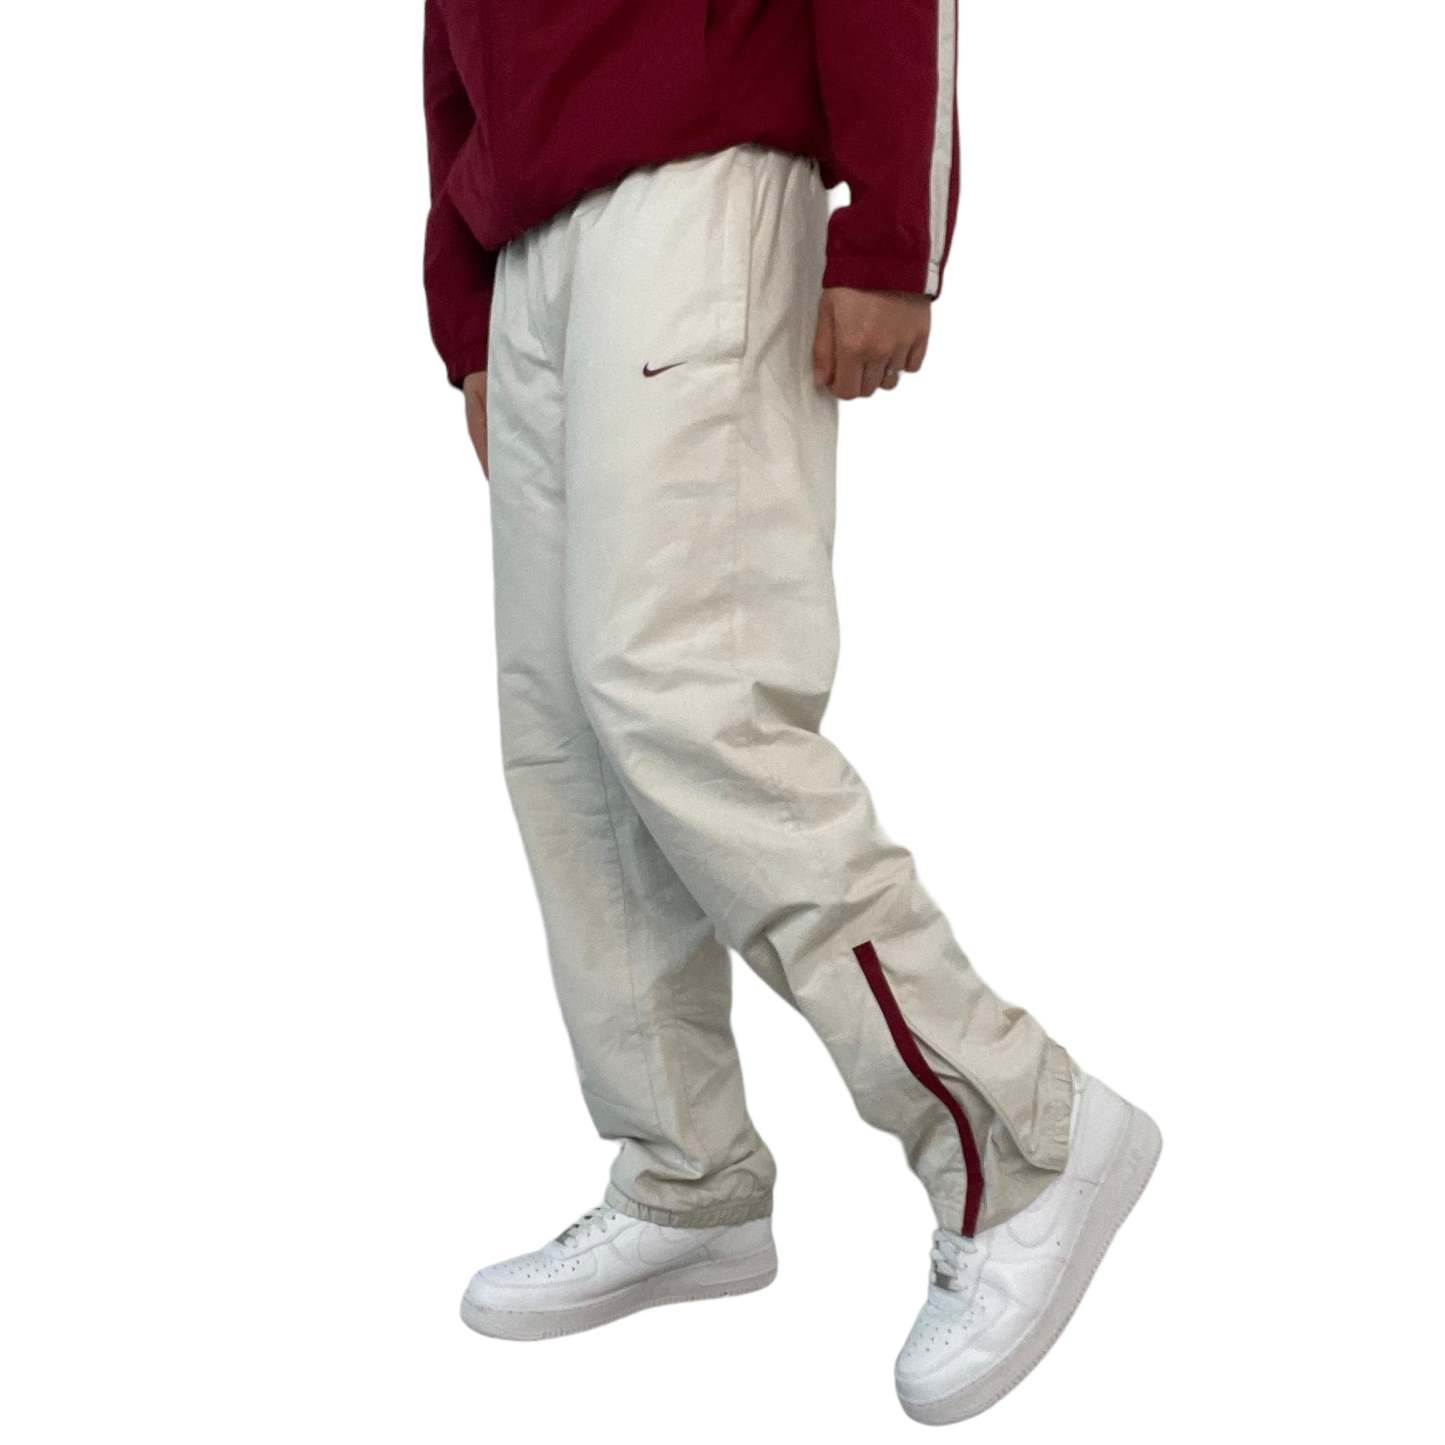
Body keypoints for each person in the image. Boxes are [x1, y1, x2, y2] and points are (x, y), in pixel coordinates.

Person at [422, 0, 1160, 1423]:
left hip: (697, 169)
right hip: (529, 247)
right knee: (560, 735)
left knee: (686, 694)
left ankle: (1024, 1138)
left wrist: (890, 237)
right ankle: (685, 1172)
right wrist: (468, 305)